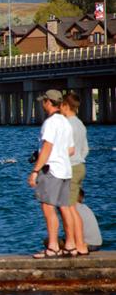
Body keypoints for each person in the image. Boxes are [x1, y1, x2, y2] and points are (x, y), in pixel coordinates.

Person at [28, 89, 75, 259]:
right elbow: (71, 150)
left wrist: (35, 171)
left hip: (52, 171)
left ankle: (53, 247)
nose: (42, 104)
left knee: (48, 209)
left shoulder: (50, 123)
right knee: (65, 208)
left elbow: (47, 147)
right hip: (66, 170)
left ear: (49, 102)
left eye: (43, 101)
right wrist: (58, 154)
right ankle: (70, 245)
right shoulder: (65, 122)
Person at [60, 93, 90, 256]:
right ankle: (79, 243)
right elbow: (85, 149)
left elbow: (66, 150)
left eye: (61, 106)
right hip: (79, 166)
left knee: (68, 209)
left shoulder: (67, 125)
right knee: (72, 208)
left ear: (65, 106)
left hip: (70, 168)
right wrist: (79, 158)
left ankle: (77, 244)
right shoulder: (80, 124)